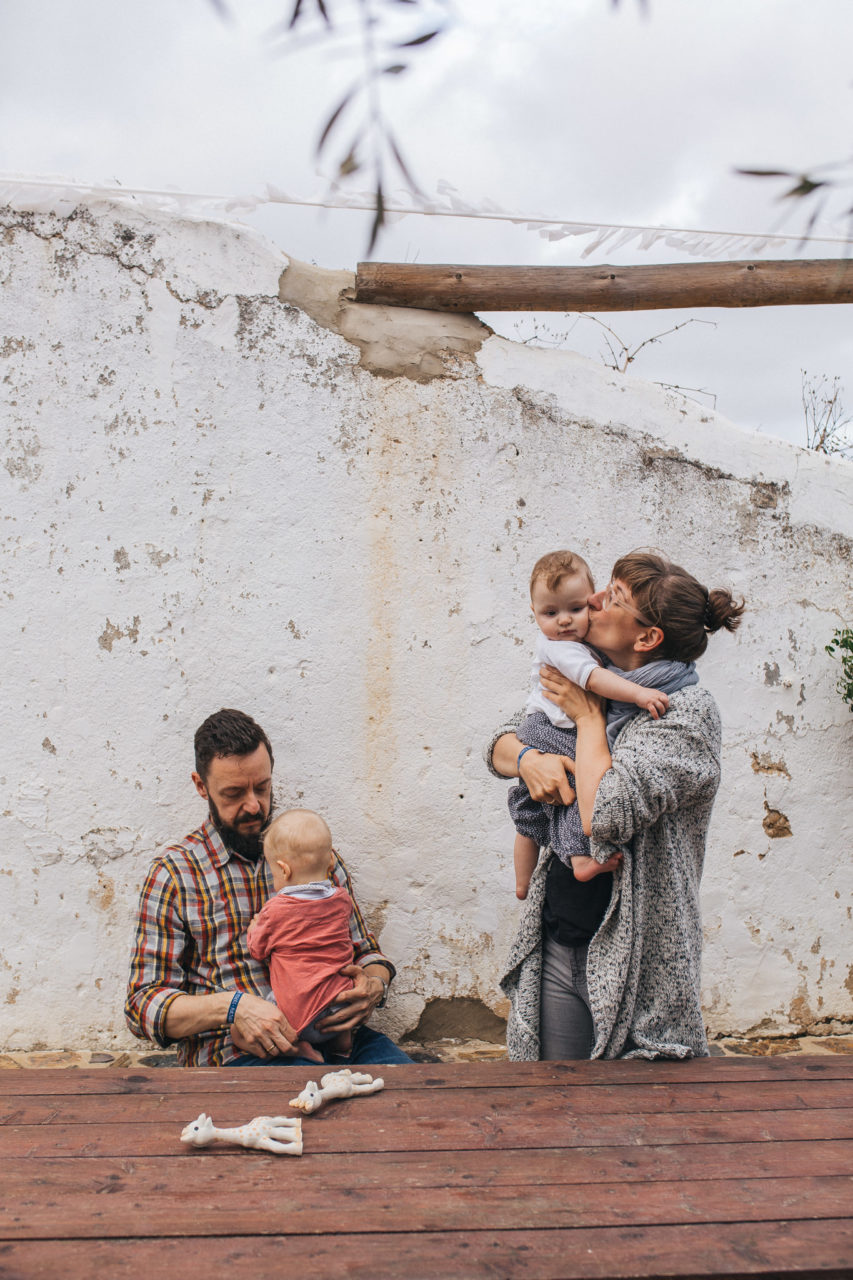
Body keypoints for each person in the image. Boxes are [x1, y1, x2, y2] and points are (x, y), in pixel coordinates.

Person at [487, 550, 745, 1062]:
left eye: (615, 598)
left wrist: (587, 718)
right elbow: (498, 744)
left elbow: (602, 814)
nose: (594, 601)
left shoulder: (685, 716)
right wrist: (529, 759)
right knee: (558, 1109)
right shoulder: (589, 667)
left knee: (638, 1126)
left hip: (641, 963)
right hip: (561, 937)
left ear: (646, 637)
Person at [125, 708, 411, 1067]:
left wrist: (373, 985)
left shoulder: (315, 856)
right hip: (236, 1054)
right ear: (201, 787)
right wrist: (232, 1008)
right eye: (233, 793)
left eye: (262, 787)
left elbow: (367, 952)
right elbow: (142, 1007)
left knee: (416, 1100)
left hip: (341, 1039)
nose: (253, 805)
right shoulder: (175, 875)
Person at [510, 549, 669, 900]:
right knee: (578, 783)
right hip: (550, 729)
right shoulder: (563, 649)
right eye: (551, 613)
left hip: (545, 725)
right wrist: (640, 694)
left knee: (530, 815)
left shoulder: (584, 647)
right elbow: (595, 681)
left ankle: (522, 885)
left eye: (576, 608)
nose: (565, 621)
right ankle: (580, 857)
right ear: (534, 614)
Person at [247, 808, 356, 1063]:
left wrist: (254, 930)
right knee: (337, 983)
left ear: (284, 870)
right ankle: (343, 1046)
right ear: (331, 862)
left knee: (244, 1030)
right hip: (341, 1008)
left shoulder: (276, 910)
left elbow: (257, 950)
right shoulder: (341, 900)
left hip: (297, 1016)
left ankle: (298, 1048)